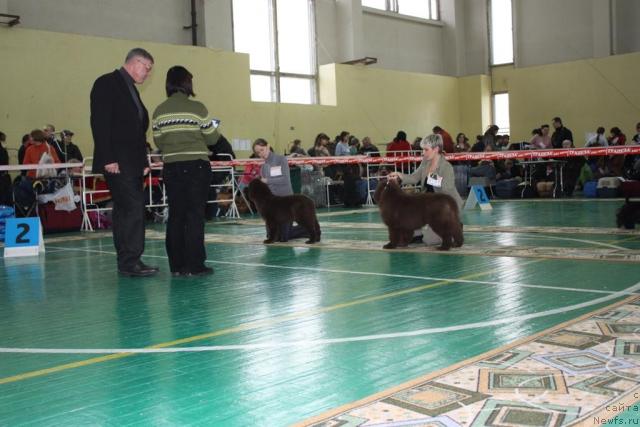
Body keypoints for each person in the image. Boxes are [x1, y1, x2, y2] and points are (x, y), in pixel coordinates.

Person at [90, 47, 158, 277]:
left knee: (124, 210)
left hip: (131, 162)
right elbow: (100, 123)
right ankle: (131, 260)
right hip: (117, 161)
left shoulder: (130, 90)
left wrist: (143, 160)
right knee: (133, 209)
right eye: (146, 67)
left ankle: (127, 260)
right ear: (134, 62)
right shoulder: (107, 83)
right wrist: (108, 157)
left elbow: (136, 130)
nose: (147, 73)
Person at [152, 65, 219, 277]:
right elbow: (212, 138)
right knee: (195, 216)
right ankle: (195, 265)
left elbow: (158, 141)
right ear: (187, 83)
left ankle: (177, 266)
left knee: (176, 216)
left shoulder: (159, 111)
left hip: (171, 167)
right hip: (197, 166)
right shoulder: (198, 108)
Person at [388, 134, 463, 245]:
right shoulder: (425, 162)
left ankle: (454, 227)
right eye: (423, 149)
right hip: (428, 204)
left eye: (426, 150)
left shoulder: (447, 167)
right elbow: (414, 177)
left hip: (445, 207)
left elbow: (447, 189)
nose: (423, 153)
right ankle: (417, 233)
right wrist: (399, 176)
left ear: (436, 149)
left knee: (429, 241)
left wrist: (430, 177)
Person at [253, 138, 308, 240]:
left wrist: (267, 181)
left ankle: (307, 228)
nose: (260, 153)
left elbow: (285, 179)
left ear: (268, 146)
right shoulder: (263, 167)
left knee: (284, 237)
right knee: (271, 236)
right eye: (258, 152)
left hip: (286, 202)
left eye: (262, 149)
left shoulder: (281, 159)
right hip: (273, 205)